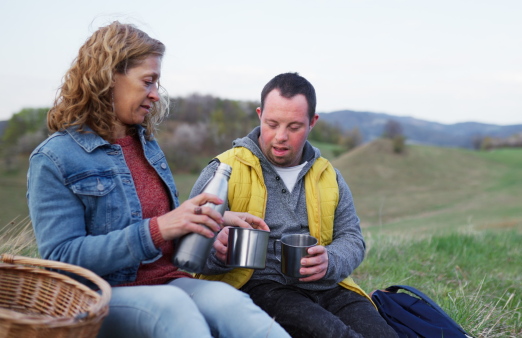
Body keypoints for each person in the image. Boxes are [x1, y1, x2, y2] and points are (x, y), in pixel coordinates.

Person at [27, 21, 290, 338]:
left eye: (157, 84)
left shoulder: (145, 145)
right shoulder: (55, 159)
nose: (155, 95)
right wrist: (159, 228)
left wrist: (210, 221)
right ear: (108, 78)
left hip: (168, 280)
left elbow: (166, 225)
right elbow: (62, 260)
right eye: (148, 82)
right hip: (98, 297)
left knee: (232, 303)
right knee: (172, 306)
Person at [190, 72, 397, 337]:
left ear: (312, 122)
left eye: (294, 127)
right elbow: (188, 247)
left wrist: (330, 262)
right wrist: (217, 254)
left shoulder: (328, 174)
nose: (280, 136)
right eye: (272, 124)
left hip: (329, 286)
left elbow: (352, 238)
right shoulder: (223, 170)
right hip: (261, 287)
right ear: (259, 114)